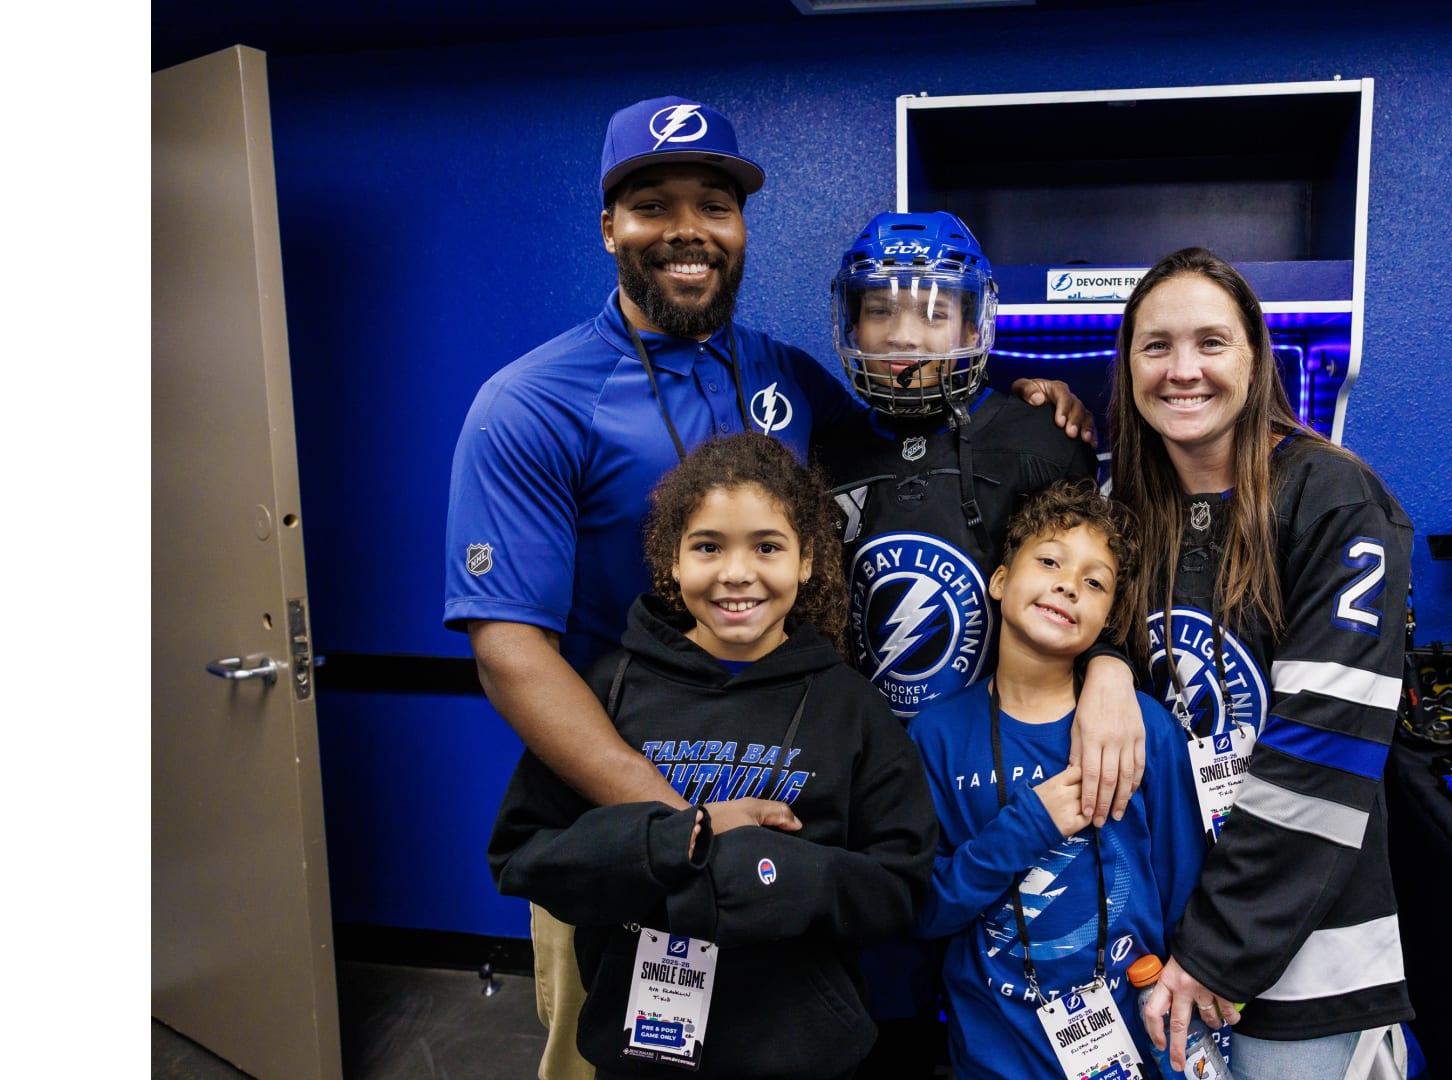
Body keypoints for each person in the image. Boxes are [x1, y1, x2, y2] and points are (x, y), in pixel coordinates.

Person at [442, 97, 1095, 1079]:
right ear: (609, 226)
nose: (688, 229)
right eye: (652, 205)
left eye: (714, 204)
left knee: (806, 1043)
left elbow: (912, 426)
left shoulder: (785, 376)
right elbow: (508, 652)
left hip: (794, 798)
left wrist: (1036, 399)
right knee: (630, 1058)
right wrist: (682, 826)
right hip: (632, 827)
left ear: (742, 226)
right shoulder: (530, 403)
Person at [488, 432, 938, 1078]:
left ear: (807, 560)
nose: (736, 573)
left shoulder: (852, 709)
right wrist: (676, 838)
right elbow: (522, 856)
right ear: (672, 559)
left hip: (798, 1055)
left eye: (767, 547)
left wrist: (769, 869)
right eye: (708, 547)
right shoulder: (610, 690)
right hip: (640, 1054)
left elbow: (901, 885)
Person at [810, 211, 1147, 1073]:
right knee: (880, 1022)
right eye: (880, 309)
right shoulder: (824, 443)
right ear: (851, 322)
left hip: (994, 782)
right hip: (867, 793)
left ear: (974, 321)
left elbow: (1087, 579)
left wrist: (1110, 665)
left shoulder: (1039, 439)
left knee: (996, 1001)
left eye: (933, 311)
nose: (904, 333)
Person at [1107, 248, 1416, 1078]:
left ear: (1255, 358)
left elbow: (1326, 746)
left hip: (1299, 959)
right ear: (1128, 366)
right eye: (1156, 346)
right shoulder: (1123, 509)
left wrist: (1218, 950)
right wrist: (1104, 665)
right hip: (1156, 944)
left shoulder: (1333, 496)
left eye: (1211, 342)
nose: (1182, 370)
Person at [907, 480, 1206, 1080]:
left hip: (1137, 1048)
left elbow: (1185, 890)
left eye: (1095, 582)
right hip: (996, 1058)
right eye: (1049, 561)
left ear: (1108, 618)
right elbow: (921, 912)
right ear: (999, 580)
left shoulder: (1145, 727)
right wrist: (1025, 829)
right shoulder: (935, 736)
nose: (1069, 584)